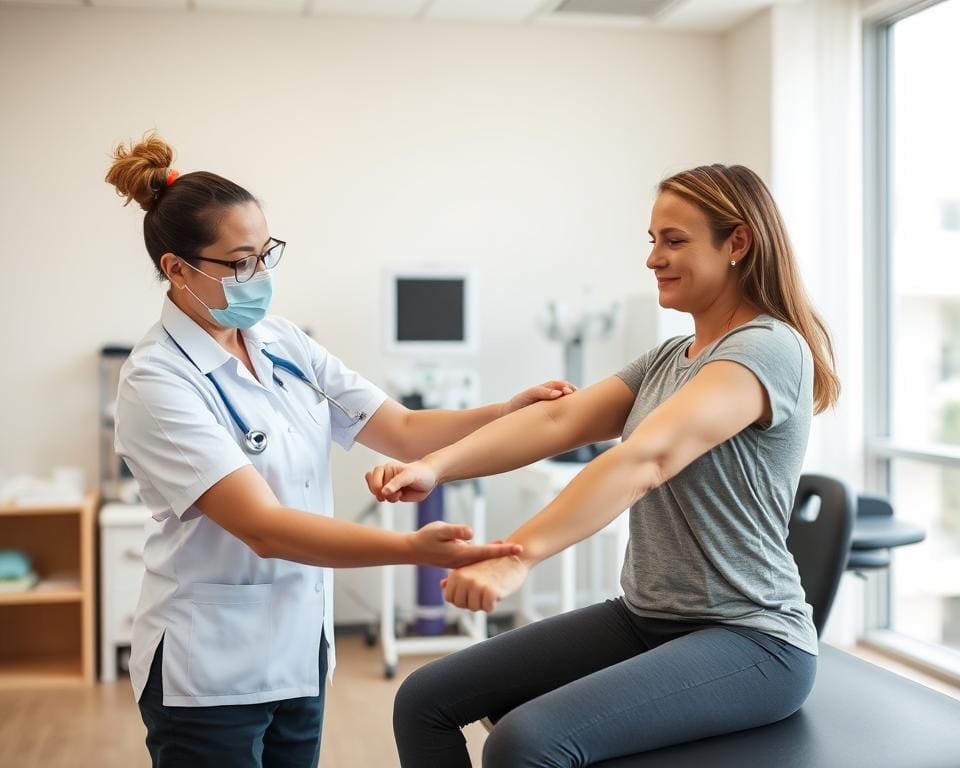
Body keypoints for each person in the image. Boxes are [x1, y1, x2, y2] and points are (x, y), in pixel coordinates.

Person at [105, 132, 575, 768]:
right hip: (210, 668)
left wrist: (504, 410)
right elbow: (265, 529)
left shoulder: (280, 340)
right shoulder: (157, 380)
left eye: (266, 254)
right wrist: (410, 549)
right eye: (238, 263)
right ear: (177, 269)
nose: (259, 277)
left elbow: (403, 429)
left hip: (300, 649)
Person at [366, 164, 841, 767]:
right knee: (423, 698)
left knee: (523, 741)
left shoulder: (767, 349)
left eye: (674, 241)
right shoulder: (672, 357)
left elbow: (647, 457)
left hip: (750, 636)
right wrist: (435, 465)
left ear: (737, 244)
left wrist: (517, 557)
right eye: (652, 241)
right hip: (645, 616)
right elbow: (557, 421)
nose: (653, 259)